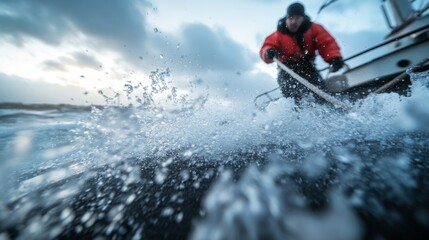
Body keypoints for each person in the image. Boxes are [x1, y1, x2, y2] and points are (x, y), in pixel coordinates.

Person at [260, 2, 344, 104]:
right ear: (286, 18)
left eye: (297, 18)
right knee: (292, 96)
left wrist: (334, 58)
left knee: (321, 93)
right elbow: (266, 47)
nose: (294, 21)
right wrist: (268, 52)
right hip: (287, 70)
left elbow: (326, 43)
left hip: (308, 67)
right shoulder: (277, 35)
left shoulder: (314, 29)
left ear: (303, 18)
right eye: (291, 17)